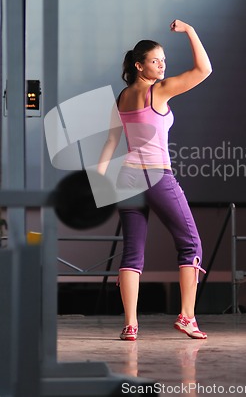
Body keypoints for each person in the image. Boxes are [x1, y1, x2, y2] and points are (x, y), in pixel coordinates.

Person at [97, 19, 212, 341]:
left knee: (132, 252)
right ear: (139, 65)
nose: (162, 65)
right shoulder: (157, 91)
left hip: (125, 179)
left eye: (163, 60)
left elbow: (110, 142)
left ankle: (130, 325)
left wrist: (99, 179)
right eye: (155, 60)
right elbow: (204, 70)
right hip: (156, 176)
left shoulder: (122, 96)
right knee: (191, 244)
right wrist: (191, 31)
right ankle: (187, 317)